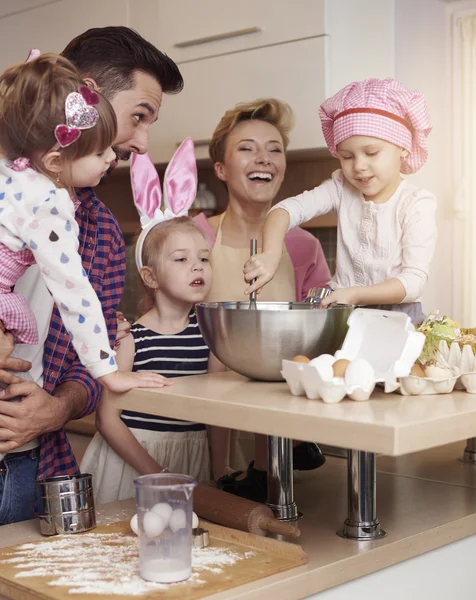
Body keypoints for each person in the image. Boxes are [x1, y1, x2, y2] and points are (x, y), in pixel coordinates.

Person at [0, 26, 183, 524]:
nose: (143, 143)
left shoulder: (99, 228)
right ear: (84, 97)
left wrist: (58, 408)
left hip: (23, 464)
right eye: (139, 117)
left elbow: (94, 341)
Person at [0, 53, 169, 398]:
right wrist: (109, 373)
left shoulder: (10, 172)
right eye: (98, 152)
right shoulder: (49, 204)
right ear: (55, 160)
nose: (111, 158)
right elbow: (75, 294)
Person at [194, 99, 331, 502]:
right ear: (220, 169)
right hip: (199, 432)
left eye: (274, 149)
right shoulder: (190, 239)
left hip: (276, 439)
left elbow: (321, 341)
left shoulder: (304, 246)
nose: (264, 158)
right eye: (247, 148)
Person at [81, 140, 223, 504]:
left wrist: (219, 473)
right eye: (180, 259)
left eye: (204, 258)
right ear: (150, 276)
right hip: (134, 465)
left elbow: (219, 414)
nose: (197, 266)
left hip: (191, 461)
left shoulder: (211, 337)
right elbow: (108, 420)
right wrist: (158, 474)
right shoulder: (131, 338)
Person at [244, 79, 437, 327]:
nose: (358, 166)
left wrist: (354, 294)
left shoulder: (416, 204)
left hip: (397, 321)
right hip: (344, 314)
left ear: (403, 149)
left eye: (371, 152)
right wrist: (270, 254)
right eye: (346, 156)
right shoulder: (341, 188)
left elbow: (413, 283)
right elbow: (285, 210)